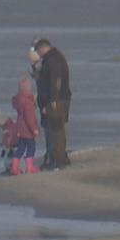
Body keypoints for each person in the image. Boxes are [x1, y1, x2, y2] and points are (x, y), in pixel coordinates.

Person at [33, 38, 72, 169]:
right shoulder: (52, 58)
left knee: (56, 131)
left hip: (57, 100)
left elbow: (56, 81)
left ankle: (58, 160)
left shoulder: (53, 59)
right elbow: (45, 79)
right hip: (56, 99)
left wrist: (52, 101)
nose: (37, 54)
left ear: (42, 48)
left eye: (37, 51)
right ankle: (55, 158)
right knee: (55, 130)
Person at [10, 77, 41, 175]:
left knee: (21, 148)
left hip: (20, 128)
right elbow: (30, 118)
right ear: (28, 89)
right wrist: (34, 129)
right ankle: (29, 167)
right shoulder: (27, 102)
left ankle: (14, 167)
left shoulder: (19, 100)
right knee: (31, 147)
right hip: (28, 130)